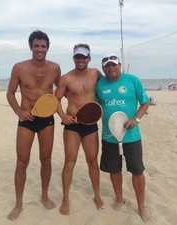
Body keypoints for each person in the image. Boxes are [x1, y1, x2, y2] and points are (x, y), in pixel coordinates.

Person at [6, 30, 61, 220]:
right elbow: (10, 93)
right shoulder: (19, 68)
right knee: (22, 162)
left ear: (48, 47)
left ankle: (44, 196)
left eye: (43, 46)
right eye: (36, 46)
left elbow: (61, 91)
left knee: (46, 159)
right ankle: (19, 204)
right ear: (31, 47)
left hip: (46, 120)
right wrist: (19, 112)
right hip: (26, 119)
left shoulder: (55, 68)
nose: (40, 49)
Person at [95, 54, 150, 222]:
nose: (111, 67)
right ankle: (119, 199)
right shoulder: (100, 84)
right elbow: (95, 105)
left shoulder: (132, 80)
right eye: (107, 66)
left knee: (137, 170)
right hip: (109, 136)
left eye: (114, 64)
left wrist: (136, 119)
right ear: (103, 69)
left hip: (131, 136)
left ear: (120, 65)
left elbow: (145, 102)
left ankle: (141, 207)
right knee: (114, 169)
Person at [54, 43, 104, 215]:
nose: (81, 60)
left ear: (89, 58)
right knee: (70, 161)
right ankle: (65, 199)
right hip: (72, 126)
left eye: (84, 56)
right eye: (77, 56)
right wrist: (62, 116)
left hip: (90, 125)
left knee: (92, 161)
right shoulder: (66, 78)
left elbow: (107, 89)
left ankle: (97, 195)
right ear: (73, 58)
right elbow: (55, 100)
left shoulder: (96, 73)